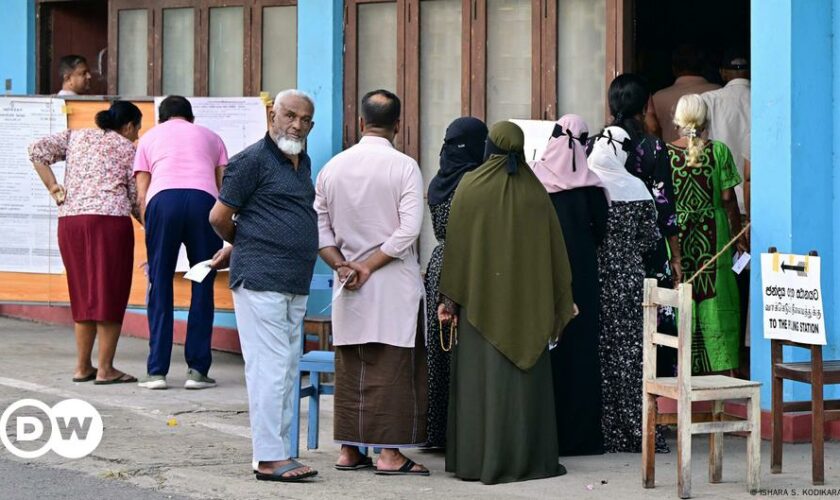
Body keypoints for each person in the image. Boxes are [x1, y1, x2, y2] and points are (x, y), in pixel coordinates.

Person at [438, 121, 576, 484]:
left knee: (482, 383)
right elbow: (555, 256)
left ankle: (477, 460)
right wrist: (558, 303)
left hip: (478, 307)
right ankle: (529, 459)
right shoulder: (536, 193)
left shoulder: (470, 187)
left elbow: (457, 250)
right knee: (523, 385)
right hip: (529, 309)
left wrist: (449, 300)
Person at [315, 89, 428, 475]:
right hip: (393, 284)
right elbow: (409, 230)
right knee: (394, 368)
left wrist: (344, 265)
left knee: (352, 367)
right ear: (398, 125)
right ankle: (389, 455)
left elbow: (321, 231)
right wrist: (370, 265)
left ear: (361, 123)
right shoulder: (404, 167)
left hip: (347, 284)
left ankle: (349, 450)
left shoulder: (332, 168)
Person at [208, 89, 319, 482]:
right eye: (290, 115)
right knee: (270, 369)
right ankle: (269, 457)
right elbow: (219, 217)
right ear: (272, 114)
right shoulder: (251, 161)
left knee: (288, 369)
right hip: (260, 278)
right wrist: (246, 243)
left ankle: (279, 452)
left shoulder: (300, 162)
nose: (297, 125)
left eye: (305, 119)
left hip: (294, 280)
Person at [28, 100, 142, 384]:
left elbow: (36, 150)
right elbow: (133, 199)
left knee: (83, 291)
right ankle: (105, 369)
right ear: (128, 126)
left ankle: (82, 367)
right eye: (137, 129)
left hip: (72, 222)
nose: (137, 136)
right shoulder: (129, 149)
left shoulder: (75, 135)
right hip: (109, 223)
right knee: (110, 291)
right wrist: (154, 225)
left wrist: (53, 186)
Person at [134, 96, 228, 390]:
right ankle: (198, 371)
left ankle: (157, 371)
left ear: (161, 119)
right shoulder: (212, 137)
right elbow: (223, 187)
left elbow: (141, 194)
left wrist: (152, 228)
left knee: (160, 282)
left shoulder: (149, 137)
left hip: (163, 202)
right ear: (191, 119)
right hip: (204, 203)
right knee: (202, 280)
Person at [594, 74, 683, 376]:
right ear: (645, 105)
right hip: (648, 247)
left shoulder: (598, 144)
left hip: (606, 246)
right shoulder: (653, 148)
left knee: (612, 322)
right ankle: (660, 389)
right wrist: (677, 257)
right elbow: (665, 206)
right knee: (657, 315)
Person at [532, 114, 608, 456]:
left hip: (546, 275)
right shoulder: (592, 185)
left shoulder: (535, 179)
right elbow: (600, 233)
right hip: (584, 277)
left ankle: (548, 435)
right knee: (582, 353)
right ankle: (582, 437)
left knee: (551, 351)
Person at [588, 126, 667, 453]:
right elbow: (651, 239)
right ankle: (639, 430)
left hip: (596, 278)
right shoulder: (636, 188)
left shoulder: (586, 183)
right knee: (633, 356)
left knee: (601, 354)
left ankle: (605, 432)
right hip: (630, 280)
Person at [666, 94, 745, 374]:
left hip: (678, 239)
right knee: (717, 295)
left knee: (682, 293)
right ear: (706, 120)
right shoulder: (719, 151)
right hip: (715, 237)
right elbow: (727, 198)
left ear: (676, 120)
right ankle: (720, 366)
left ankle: (684, 364)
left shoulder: (666, 154)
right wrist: (739, 236)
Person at [423, 116, 487, 449]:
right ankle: (465, 430)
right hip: (469, 266)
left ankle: (438, 430)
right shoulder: (477, 181)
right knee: (466, 350)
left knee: (439, 349)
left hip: (439, 265)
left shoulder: (438, 182)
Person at [701, 50, 750, 218]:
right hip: (759, 198)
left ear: (722, 72)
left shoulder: (709, 100)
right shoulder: (766, 99)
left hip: (723, 199)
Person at [645, 45, 720, 143]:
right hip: (711, 157)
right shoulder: (719, 93)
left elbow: (652, 129)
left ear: (674, 69)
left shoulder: (658, 98)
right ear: (703, 67)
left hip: (669, 157)